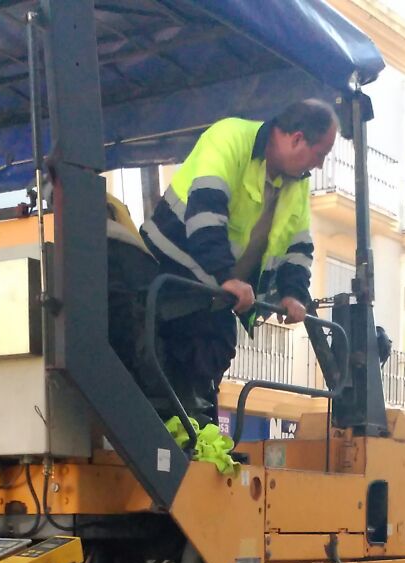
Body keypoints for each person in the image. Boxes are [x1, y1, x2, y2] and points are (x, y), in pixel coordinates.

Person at [137, 99, 337, 420]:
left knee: (207, 364)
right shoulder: (229, 138)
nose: (320, 165)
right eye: (321, 154)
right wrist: (225, 276)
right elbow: (206, 210)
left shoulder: (297, 184)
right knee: (166, 373)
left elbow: (298, 247)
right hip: (166, 282)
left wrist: (293, 294)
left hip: (211, 297)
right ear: (297, 139)